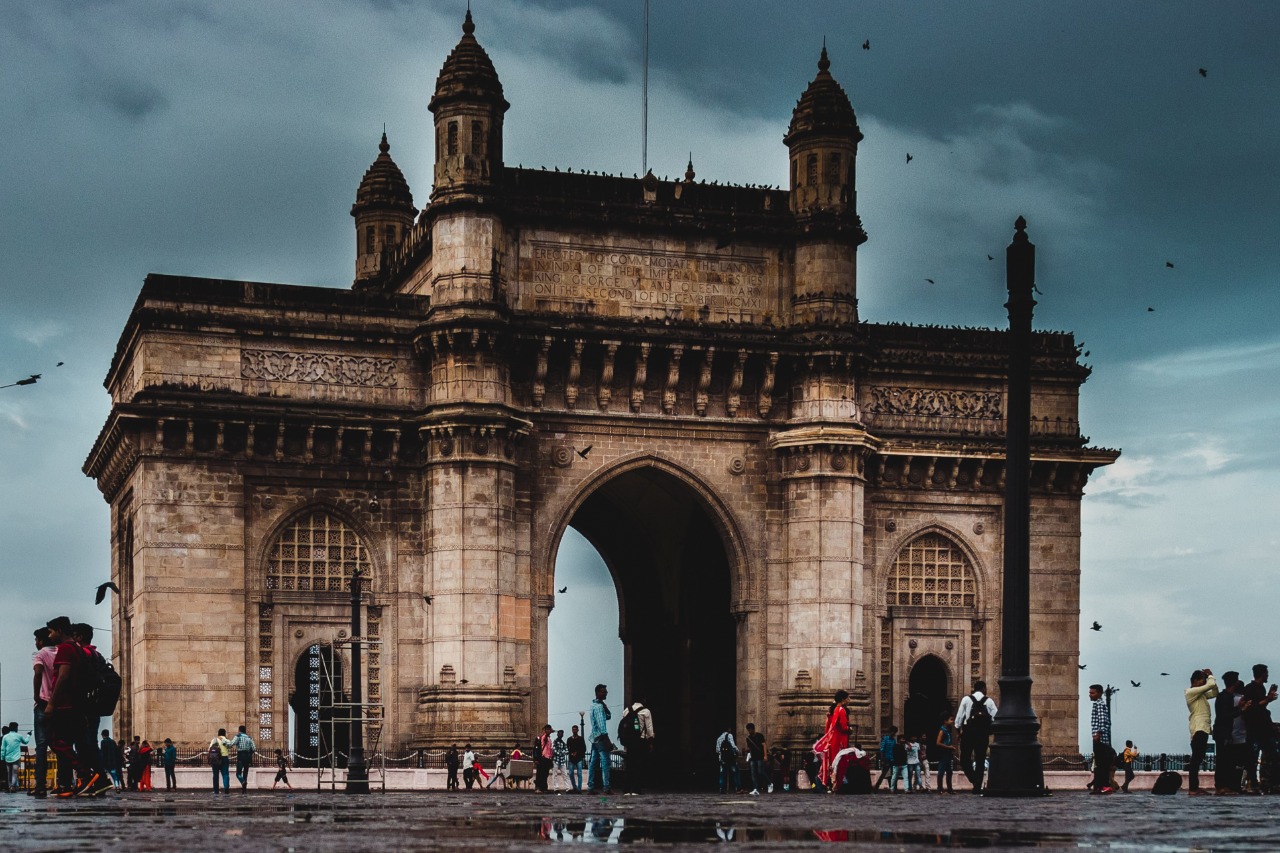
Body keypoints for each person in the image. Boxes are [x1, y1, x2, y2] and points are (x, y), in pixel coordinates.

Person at [46, 617, 110, 797]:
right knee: (84, 744)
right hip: (80, 704)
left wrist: (52, 703)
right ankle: (98, 779)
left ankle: (87, 775)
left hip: (67, 704)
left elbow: (63, 676)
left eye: (51, 632)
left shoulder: (67, 649)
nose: (50, 636)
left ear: (59, 630)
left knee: (59, 742)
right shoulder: (79, 650)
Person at [1241, 663, 1278, 791]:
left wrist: (1267, 698)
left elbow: (1260, 706)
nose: (1267, 675)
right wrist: (1268, 698)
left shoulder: (1260, 688)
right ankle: (1256, 783)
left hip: (1263, 727)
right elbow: (1254, 706)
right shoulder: (1251, 688)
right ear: (1262, 674)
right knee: (1254, 757)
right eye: (1266, 673)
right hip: (1256, 728)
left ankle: (1268, 782)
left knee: (1271, 755)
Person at [955, 680, 996, 793]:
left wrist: (958, 732)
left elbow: (958, 719)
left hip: (968, 733)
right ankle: (977, 786)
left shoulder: (966, 699)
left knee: (964, 759)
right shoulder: (989, 701)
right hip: (982, 734)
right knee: (980, 759)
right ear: (983, 689)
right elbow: (995, 717)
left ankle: (974, 779)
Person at [1183, 668, 1218, 796]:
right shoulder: (1190, 692)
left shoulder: (1201, 695)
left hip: (1203, 728)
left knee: (1198, 758)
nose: (1204, 684)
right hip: (1199, 728)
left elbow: (1215, 692)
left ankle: (1195, 787)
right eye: (1202, 681)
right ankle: (1193, 788)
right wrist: (1210, 676)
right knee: (1196, 759)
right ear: (1196, 681)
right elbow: (1211, 685)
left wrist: (1210, 678)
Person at [31, 627, 56, 798]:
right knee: (62, 745)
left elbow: (38, 673)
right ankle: (65, 783)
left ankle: (40, 786)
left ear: (41, 640)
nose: (35, 643)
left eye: (36, 640)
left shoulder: (39, 654)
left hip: (43, 703)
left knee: (41, 746)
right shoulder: (61, 652)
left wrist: (36, 695)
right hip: (60, 705)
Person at [813, 690, 850, 792]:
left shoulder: (835, 710)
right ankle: (838, 784)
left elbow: (828, 727)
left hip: (832, 740)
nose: (849, 700)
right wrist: (849, 729)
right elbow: (843, 727)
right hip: (839, 741)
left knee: (831, 763)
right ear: (843, 699)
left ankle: (827, 784)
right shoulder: (842, 710)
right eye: (847, 698)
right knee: (839, 763)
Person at [1213, 672, 1243, 794]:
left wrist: (1239, 708)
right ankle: (1221, 786)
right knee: (1223, 761)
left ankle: (1223, 786)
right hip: (1223, 732)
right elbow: (1225, 716)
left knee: (1226, 760)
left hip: (1224, 731)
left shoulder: (1225, 696)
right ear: (1235, 682)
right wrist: (1240, 710)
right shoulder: (1225, 697)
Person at [619, 698, 654, 795]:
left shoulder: (626, 710)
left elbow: (624, 727)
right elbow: (649, 728)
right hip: (640, 741)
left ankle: (626, 789)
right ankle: (635, 789)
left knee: (629, 765)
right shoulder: (646, 711)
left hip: (629, 742)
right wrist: (650, 742)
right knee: (638, 765)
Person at [586, 684, 613, 795]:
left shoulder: (593, 705)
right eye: (603, 691)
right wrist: (608, 741)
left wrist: (605, 706)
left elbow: (608, 716)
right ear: (597, 692)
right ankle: (606, 787)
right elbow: (602, 726)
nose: (606, 693)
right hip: (601, 738)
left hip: (595, 738)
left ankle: (590, 786)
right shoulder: (598, 707)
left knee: (593, 763)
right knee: (606, 762)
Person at [1088, 684, 1114, 794]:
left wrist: (1098, 734)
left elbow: (1103, 721)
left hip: (1101, 739)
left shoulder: (1099, 704)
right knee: (1099, 764)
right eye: (1090, 692)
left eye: (1092, 693)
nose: (1090, 695)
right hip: (1099, 738)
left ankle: (1105, 786)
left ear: (1099, 693)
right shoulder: (1098, 704)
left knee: (1102, 764)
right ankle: (1099, 787)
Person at [2, 723, 30, 792]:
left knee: (9, 773)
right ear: (16, 728)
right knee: (14, 773)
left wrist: (2, 757)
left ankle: (9, 786)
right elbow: (26, 742)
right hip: (16, 757)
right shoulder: (19, 736)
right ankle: (13, 787)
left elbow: (3, 748)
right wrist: (28, 735)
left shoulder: (5, 737)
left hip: (7, 758)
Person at [935, 715, 957, 792]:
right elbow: (938, 742)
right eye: (950, 720)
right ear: (945, 721)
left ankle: (950, 789)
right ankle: (939, 788)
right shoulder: (942, 730)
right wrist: (949, 747)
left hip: (949, 753)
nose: (952, 721)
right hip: (943, 753)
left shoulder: (948, 730)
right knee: (941, 771)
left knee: (949, 771)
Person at [715, 729, 740, 794]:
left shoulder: (719, 738)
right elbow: (733, 746)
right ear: (728, 730)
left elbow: (717, 750)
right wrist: (738, 751)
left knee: (722, 774)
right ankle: (737, 788)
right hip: (730, 758)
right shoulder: (729, 735)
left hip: (722, 759)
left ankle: (721, 789)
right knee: (735, 772)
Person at [744, 723, 766, 795]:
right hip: (753, 758)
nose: (749, 731)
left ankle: (768, 783)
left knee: (760, 772)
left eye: (750, 730)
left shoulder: (759, 736)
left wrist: (765, 755)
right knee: (753, 774)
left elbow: (764, 745)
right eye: (748, 730)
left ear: (753, 729)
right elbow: (750, 748)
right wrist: (747, 751)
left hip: (760, 757)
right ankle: (755, 789)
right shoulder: (748, 738)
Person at [209, 728, 233, 792]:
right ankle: (226, 788)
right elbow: (230, 746)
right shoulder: (226, 740)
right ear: (224, 734)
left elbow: (210, 749)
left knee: (215, 775)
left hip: (215, 759)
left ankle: (216, 790)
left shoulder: (214, 740)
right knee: (225, 774)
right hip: (224, 758)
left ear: (218, 733)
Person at [232, 725, 256, 790]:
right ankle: (244, 788)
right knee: (245, 773)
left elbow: (232, 743)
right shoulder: (249, 737)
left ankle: (243, 781)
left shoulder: (238, 736)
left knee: (238, 773)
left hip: (241, 756)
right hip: (248, 756)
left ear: (239, 730)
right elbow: (254, 748)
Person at [566, 725, 586, 793]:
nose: (574, 731)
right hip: (571, 759)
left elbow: (584, 748)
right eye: (573, 729)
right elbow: (567, 748)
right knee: (571, 773)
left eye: (575, 729)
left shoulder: (581, 739)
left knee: (579, 773)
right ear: (572, 730)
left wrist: (577, 753)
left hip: (579, 758)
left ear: (578, 730)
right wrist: (571, 753)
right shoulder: (569, 739)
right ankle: (575, 787)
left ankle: (579, 789)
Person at [535, 724, 554, 793]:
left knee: (545, 774)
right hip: (541, 758)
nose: (549, 731)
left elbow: (550, 750)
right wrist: (536, 759)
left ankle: (544, 788)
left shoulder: (549, 739)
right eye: (547, 729)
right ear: (545, 730)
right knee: (540, 774)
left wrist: (551, 758)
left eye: (549, 729)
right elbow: (536, 749)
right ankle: (538, 787)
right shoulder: (541, 738)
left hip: (547, 759)